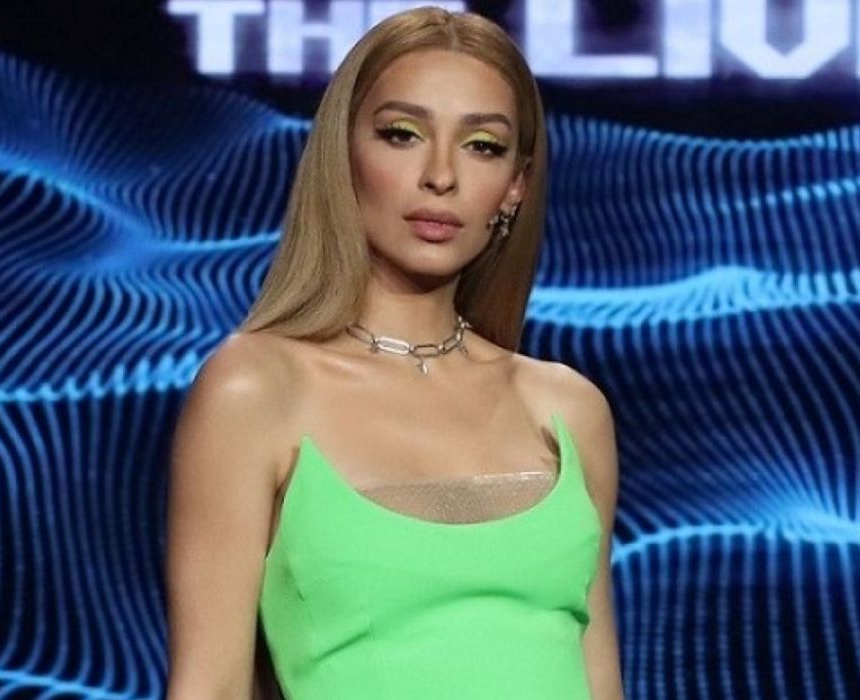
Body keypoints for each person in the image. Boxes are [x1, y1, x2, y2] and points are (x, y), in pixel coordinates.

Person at [163, 7, 623, 699]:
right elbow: (213, 687)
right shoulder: (257, 388)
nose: (440, 175)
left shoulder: (567, 409)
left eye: (483, 146)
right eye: (402, 135)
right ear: (344, 155)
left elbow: (600, 681)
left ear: (516, 185)